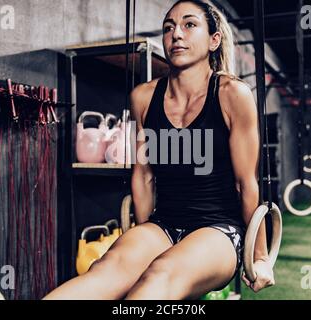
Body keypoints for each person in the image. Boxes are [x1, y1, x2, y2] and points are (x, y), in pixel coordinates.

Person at [44, 0, 274, 300]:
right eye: (169, 27)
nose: (176, 34)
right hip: (163, 224)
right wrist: (141, 237)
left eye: (190, 25)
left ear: (214, 40)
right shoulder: (143, 97)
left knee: (160, 274)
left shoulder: (233, 95)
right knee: (107, 270)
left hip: (219, 231)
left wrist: (260, 257)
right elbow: (144, 176)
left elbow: (246, 183)